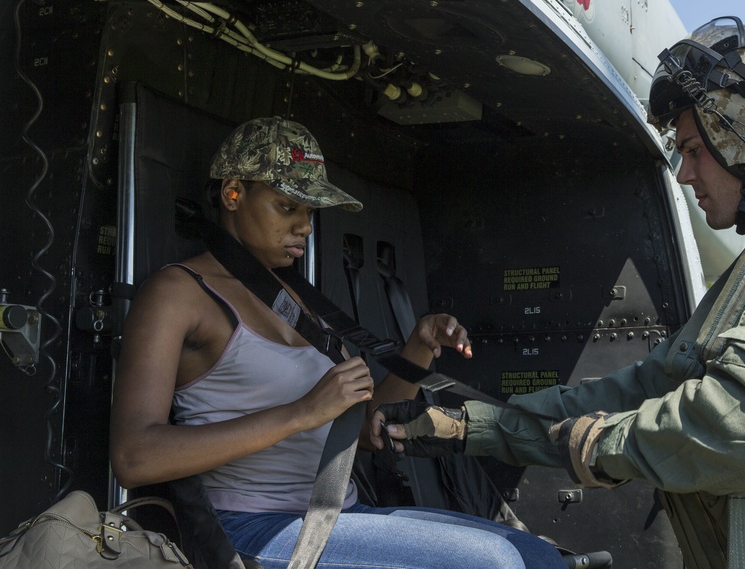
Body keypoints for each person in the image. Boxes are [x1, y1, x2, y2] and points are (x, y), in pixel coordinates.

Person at [372, 17, 745, 568]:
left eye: (692, 150)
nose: (685, 173)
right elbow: (640, 387)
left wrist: (603, 444)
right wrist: (466, 426)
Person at [109, 116, 566, 569]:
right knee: (494, 564)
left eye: (310, 211)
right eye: (288, 206)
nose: (305, 226)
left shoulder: (298, 298)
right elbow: (134, 457)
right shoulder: (178, 293)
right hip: (251, 527)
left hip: (339, 514)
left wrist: (418, 349)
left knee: (537, 556)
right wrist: (301, 412)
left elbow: (365, 430)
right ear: (233, 194)